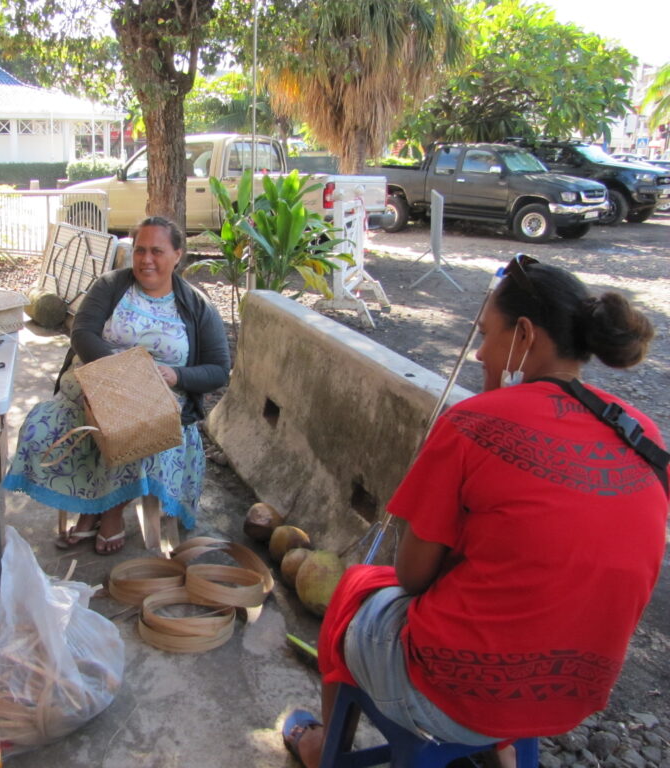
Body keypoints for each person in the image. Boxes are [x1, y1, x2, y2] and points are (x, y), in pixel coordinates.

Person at [282, 256, 668, 767]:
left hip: (453, 695)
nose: (481, 352)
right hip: (574, 696)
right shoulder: (640, 433)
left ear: (524, 335)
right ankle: (501, 750)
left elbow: (413, 576)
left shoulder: (475, 423)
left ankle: (323, 746)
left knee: (355, 588)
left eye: (487, 334)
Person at [3, 216, 230, 554]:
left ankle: (106, 515)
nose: (146, 259)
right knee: (41, 426)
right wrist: (120, 371)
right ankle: (88, 507)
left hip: (159, 399)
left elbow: (218, 371)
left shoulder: (197, 306)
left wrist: (175, 375)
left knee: (135, 429)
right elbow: (82, 332)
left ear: (178, 255)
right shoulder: (110, 285)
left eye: (157, 251)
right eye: (140, 250)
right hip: (94, 387)